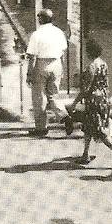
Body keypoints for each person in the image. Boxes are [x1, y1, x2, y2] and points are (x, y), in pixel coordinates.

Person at [70, 40, 112, 167]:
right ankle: (85, 154)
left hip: (94, 101)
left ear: (89, 52)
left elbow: (86, 88)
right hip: (103, 99)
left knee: (99, 131)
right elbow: (105, 83)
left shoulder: (91, 66)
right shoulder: (103, 64)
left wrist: (74, 102)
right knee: (88, 128)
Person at [25, 8, 71, 137]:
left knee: (39, 97)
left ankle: (41, 128)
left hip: (41, 64)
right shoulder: (59, 32)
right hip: (56, 64)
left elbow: (32, 56)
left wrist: (29, 74)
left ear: (41, 19)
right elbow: (63, 51)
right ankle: (65, 116)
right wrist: (61, 68)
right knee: (53, 95)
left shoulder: (36, 34)